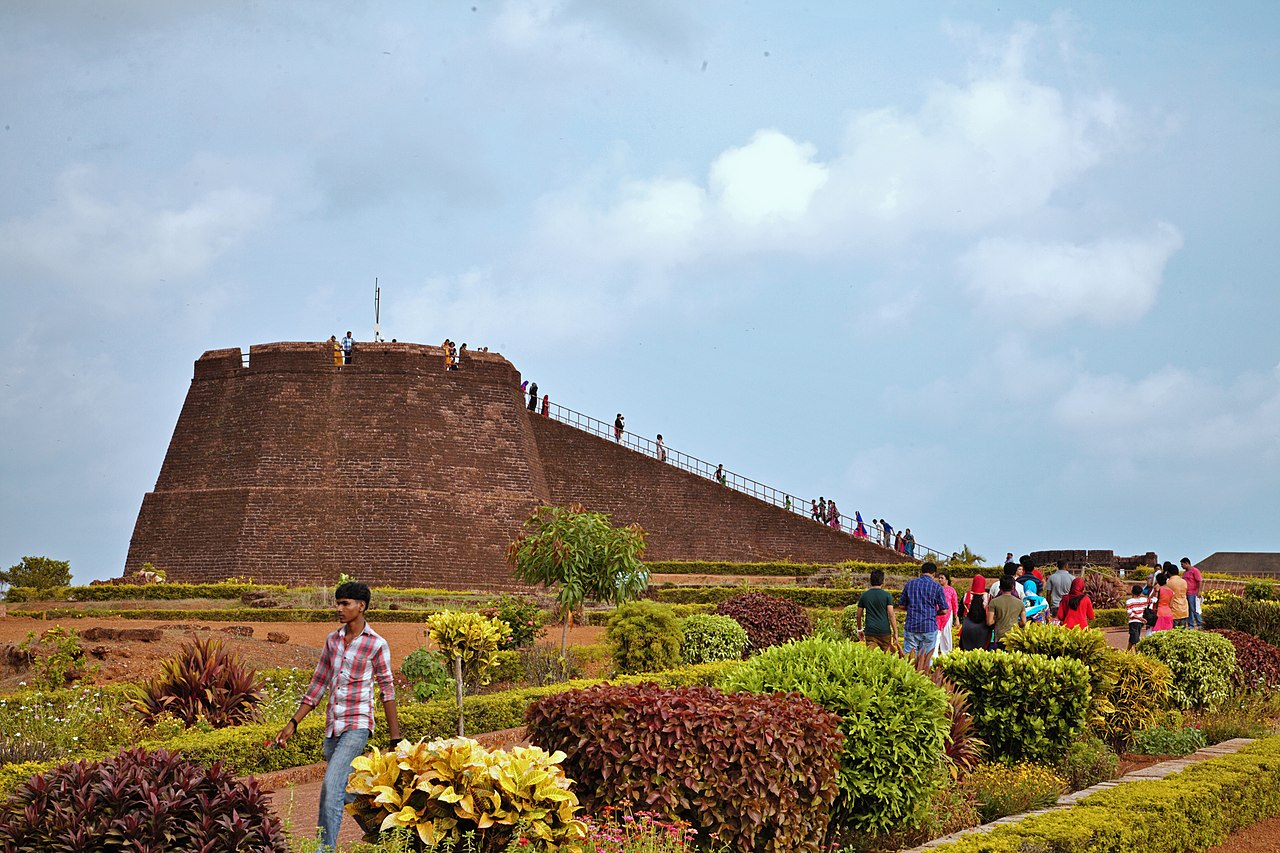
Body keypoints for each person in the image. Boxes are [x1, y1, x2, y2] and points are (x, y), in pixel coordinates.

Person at [274, 581, 401, 852]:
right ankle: (385, 832)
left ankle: (324, 849)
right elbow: (318, 684)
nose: (339, 608)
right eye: (338, 603)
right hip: (333, 728)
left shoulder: (376, 644)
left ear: (361, 606)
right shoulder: (332, 641)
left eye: (345, 604)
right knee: (345, 790)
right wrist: (293, 723)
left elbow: (387, 690)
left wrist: (395, 737)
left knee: (331, 786)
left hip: (358, 725)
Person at [899, 562, 950, 664]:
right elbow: (944, 610)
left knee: (910, 660)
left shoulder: (910, 584)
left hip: (911, 626)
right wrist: (933, 612)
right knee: (926, 660)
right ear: (934, 574)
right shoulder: (936, 587)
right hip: (929, 627)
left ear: (922, 572)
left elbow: (901, 605)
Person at [855, 569, 898, 652]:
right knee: (888, 657)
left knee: (870, 658)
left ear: (871, 581)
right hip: (884, 631)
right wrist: (895, 632)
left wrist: (859, 629)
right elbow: (891, 614)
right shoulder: (887, 595)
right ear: (882, 581)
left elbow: (858, 615)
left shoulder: (864, 595)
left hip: (870, 631)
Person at [987, 576, 1026, 648]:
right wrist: (1016, 623)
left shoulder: (994, 602)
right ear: (1012, 587)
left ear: (1000, 588)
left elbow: (989, 622)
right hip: (1014, 636)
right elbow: (1023, 622)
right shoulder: (1020, 603)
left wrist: (997, 618)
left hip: (999, 637)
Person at [959, 575, 992, 651]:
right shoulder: (988, 597)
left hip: (968, 627)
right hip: (983, 628)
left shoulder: (966, 596)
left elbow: (960, 612)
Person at [934, 573, 960, 660]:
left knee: (946, 634)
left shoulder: (951, 590)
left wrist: (957, 618)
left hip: (947, 615)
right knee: (936, 635)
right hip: (937, 614)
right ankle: (935, 655)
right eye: (939, 578)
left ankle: (947, 655)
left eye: (942, 578)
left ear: (947, 580)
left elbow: (955, 604)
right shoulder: (936, 589)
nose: (940, 580)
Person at [1180, 557, 1203, 629]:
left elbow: (1199, 581)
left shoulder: (1194, 571)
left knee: (1194, 609)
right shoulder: (1184, 573)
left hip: (1193, 593)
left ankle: (1200, 623)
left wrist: (1199, 591)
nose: (1181, 566)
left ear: (1187, 563)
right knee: (1189, 610)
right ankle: (1191, 624)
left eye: (1182, 564)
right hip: (1186, 593)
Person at [1165, 562, 1189, 628]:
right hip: (1184, 608)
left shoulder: (1168, 582)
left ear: (1168, 572)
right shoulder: (1184, 581)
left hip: (1174, 610)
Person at [1124, 584, 1148, 650]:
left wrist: (1139, 618)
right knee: (1133, 638)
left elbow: (1130, 613)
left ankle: (1137, 653)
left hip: (1133, 621)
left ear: (1132, 592)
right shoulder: (1144, 600)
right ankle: (1127, 652)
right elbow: (1153, 600)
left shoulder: (1129, 601)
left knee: (1135, 639)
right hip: (1141, 622)